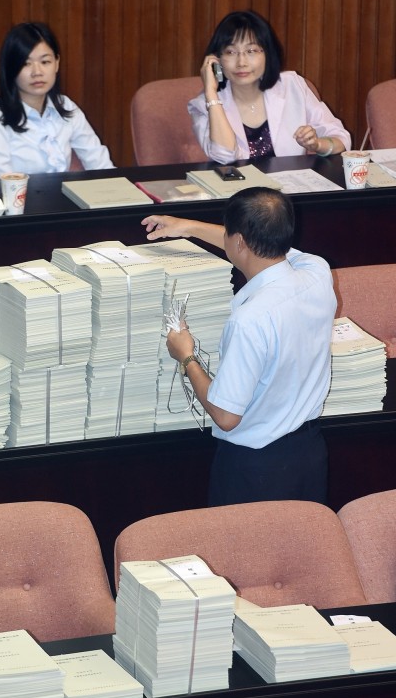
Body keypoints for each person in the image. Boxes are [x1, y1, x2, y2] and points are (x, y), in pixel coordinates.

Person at [142, 187, 336, 507]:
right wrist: (187, 227)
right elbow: (253, 243)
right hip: (309, 454)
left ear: (240, 241)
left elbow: (226, 415)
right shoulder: (316, 270)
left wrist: (186, 356)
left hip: (256, 470)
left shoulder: (250, 320)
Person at [189, 10, 351, 163]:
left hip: (291, 188)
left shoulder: (293, 86)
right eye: (231, 52)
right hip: (240, 191)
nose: (241, 62)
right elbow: (224, 157)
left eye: (251, 51)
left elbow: (341, 139)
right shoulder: (204, 104)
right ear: (217, 60)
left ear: (267, 53)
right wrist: (211, 93)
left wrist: (317, 145)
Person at [0, 22, 114, 175]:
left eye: (45, 62)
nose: (37, 72)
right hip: (19, 198)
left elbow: (99, 163)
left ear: (57, 63)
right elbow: (1, 183)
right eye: (26, 64)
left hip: (63, 196)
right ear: (11, 68)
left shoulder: (66, 106)